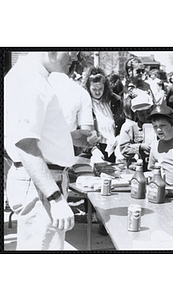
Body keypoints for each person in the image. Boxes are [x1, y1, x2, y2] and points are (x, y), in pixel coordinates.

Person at [4, 52, 88, 250]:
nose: (74, 58)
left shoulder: (33, 76)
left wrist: (70, 138)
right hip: (40, 185)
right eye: (72, 51)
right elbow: (25, 144)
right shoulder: (28, 80)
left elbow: (36, 136)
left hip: (41, 183)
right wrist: (55, 198)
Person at [83, 67, 125, 163]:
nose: (97, 92)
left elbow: (123, 124)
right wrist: (93, 149)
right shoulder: (84, 104)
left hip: (116, 148)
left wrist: (120, 140)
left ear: (105, 87)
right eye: (94, 89)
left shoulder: (115, 101)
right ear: (88, 87)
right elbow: (82, 132)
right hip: (96, 150)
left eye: (100, 89)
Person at [48, 70, 94, 155]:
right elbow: (87, 134)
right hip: (63, 157)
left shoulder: (31, 86)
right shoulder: (80, 93)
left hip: (25, 160)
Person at [119, 92, 154, 171]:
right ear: (136, 114)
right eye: (141, 115)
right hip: (136, 168)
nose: (146, 117)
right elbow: (123, 148)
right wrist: (140, 147)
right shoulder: (130, 127)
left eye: (148, 113)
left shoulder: (158, 126)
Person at [147, 105, 173, 187]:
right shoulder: (155, 146)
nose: (158, 129)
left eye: (162, 126)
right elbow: (151, 169)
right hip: (163, 188)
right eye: (155, 126)